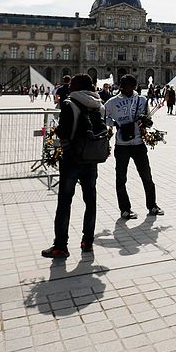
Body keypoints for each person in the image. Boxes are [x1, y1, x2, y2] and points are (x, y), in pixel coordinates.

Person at [41, 74, 104, 259]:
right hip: (91, 159)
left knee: (64, 202)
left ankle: (60, 245)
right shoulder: (99, 105)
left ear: (77, 86)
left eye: (72, 84)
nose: (69, 87)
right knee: (90, 201)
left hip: (72, 159)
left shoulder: (69, 104)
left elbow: (64, 132)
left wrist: (56, 131)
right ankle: (87, 241)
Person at [104, 75, 163, 219]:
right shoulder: (112, 102)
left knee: (147, 176)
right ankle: (125, 209)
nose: (130, 90)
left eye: (132, 87)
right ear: (121, 87)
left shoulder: (142, 100)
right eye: (127, 87)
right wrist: (114, 124)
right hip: (122, 144)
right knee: (121, 178)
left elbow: (149, 121)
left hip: (138, 143)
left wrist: (146, 121)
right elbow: (103, 116)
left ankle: (152, 205)